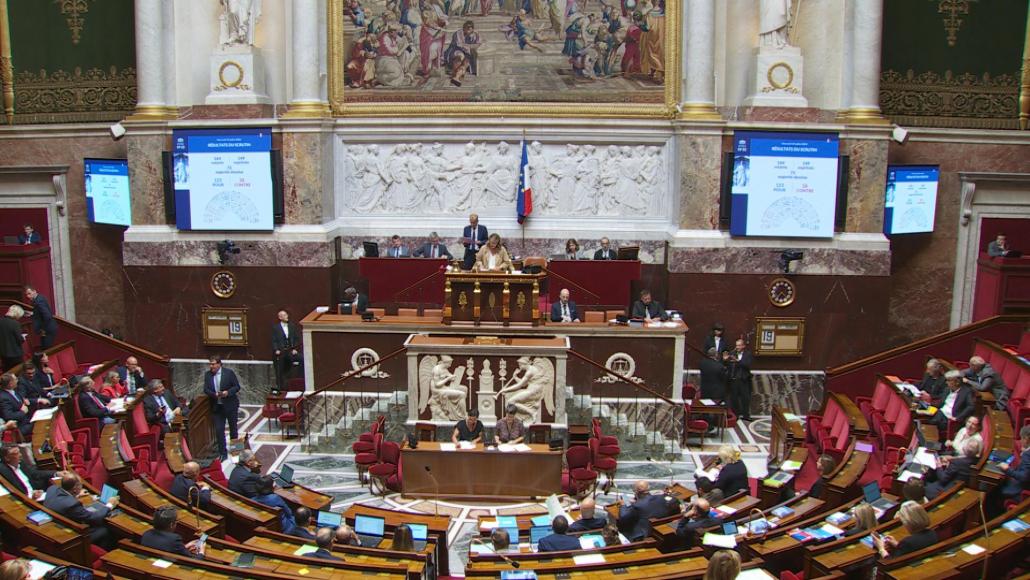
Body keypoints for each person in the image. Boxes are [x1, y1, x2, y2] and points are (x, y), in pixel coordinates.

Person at [44, 472, 117, 549]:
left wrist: (76, 494)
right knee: (105, 530)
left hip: (57, 524)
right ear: (75, 489)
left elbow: (63, 497)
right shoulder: (72, 505)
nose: (81, 487)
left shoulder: (51, 489)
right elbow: (94, 518)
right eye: (80, 485)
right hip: (73, 535)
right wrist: (109, 505)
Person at [204, 356, 241, 460]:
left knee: (233, 429)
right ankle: (222, 453)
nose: (211, 366)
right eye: (210, 364)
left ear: (219, 364)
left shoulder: (229, 373)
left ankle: (236, 452)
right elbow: (206, 389)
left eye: (213, 364)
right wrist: (214, 394)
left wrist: (227, 393)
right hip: (217, 407)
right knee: (219, 430)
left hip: (230, 405)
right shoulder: (207, 375)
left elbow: (237, 387)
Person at [873, 501, 937, 559]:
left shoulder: (907, 542)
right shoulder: (932, 533)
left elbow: (891, 561)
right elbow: (912, 548)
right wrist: (897, 544)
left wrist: (881, 548)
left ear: (908, 522)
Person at [141, 506, 205, 558]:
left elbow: (166, 548)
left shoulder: (146, 534)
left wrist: (186, 546)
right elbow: (192, 560)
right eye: (176, 522)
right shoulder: (174, 539)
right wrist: (202, 550)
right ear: (171, 525)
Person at [997, 424, 1030, 504]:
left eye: (1021, 438)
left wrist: (1007, 469)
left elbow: (1024, 477)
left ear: (1026, 439)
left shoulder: (1027, 455)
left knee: (994, 491)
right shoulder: (1026, 453)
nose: (1020, 441)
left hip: (1021, 490)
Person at [725, 339, 754, 421]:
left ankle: (746, 415)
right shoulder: (732, 354)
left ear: (743, 346)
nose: (737, 347)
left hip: (744, 380)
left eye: (739, 345)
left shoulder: (748, 354)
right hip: (734, 379)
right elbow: (727, 365)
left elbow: (747, 365)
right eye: (736, 345)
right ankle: (735, 415)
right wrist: (725, 360)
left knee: (745, 398)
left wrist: (738, 361)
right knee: (734, 398)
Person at [272, 310, 301, 391]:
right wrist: (276, 349)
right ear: (280, 317)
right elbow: (274, 340)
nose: (286, 316)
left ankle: (296, 385)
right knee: (280, 369)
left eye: (286, 314)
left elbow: (296, 339)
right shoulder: (276, 328)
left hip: (290, 350)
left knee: (300, 359)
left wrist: (295, 348)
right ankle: (281, 388)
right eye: (284, 315)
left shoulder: (292, 326)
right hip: (281, 351)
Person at [0, 373, 33, 437]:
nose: (18, 380)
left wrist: (25, 402)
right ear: (10, 383)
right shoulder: (3, 398)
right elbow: (8, 416)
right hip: (20, 427)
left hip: (26, 420)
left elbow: (21, 403)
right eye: (16, 379)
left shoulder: (13, 390)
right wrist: (22, 412)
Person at [0, 305, 24, 372]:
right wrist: (23, 338)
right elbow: (19, 339)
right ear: (17, 314)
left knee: (7, 372)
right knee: (18, 372)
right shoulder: (15, 323)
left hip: (3, 353)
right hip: (15, 354)